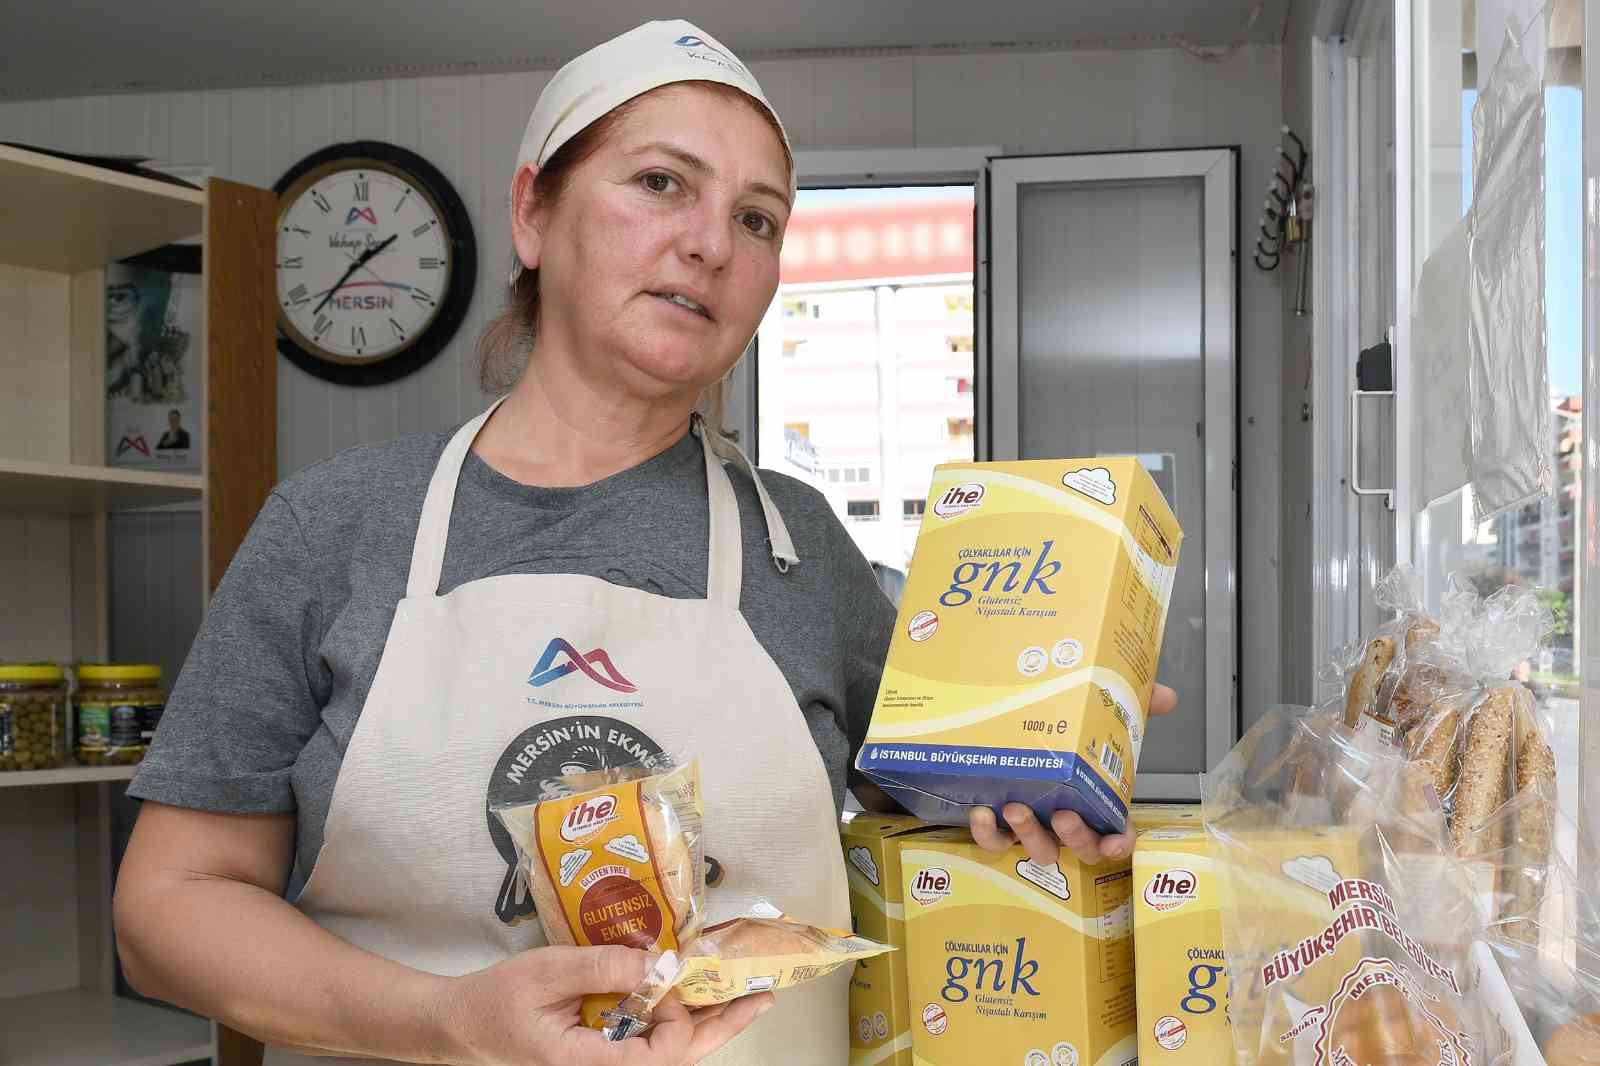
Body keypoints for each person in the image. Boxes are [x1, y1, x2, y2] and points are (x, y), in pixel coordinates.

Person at [112, 19, 1176, 1066]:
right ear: (533, 212)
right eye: (662, 183)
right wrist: (444, 1024)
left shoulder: (800, 542)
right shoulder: (334, 525)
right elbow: (167, 910)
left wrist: (1043, 753)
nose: (712, 242)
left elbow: (933, 795)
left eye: (758, 219)